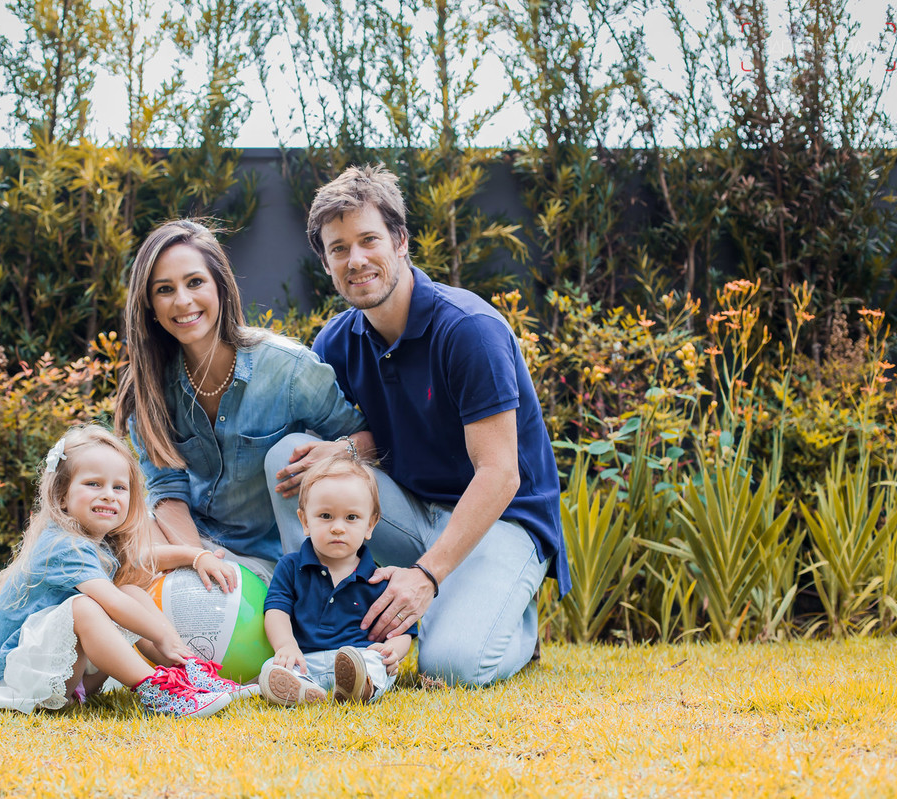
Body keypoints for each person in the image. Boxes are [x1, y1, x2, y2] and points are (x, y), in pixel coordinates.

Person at [267, 165, 572, 687]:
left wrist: (428, 577)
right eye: (338, 248)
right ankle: (325, 624)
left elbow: (500, 474)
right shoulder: (336, 344)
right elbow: (382, 435)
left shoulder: (469, 330)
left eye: (368, 240)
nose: (355, 260)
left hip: (501, 519)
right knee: (292, 459)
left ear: (401, 241)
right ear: (326, 261)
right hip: (409, 511)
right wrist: (341, 449)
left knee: (451, 666)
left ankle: (511, 625)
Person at [0, 424, 247, 718]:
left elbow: (145, 557)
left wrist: (196, 556)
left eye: (120, 487)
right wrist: (164, 636)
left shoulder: (97, 542)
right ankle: (157, 692)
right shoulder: (62, 545)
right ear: (62, 495)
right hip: (19, 679)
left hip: (66, 679)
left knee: (131, 591)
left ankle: (188, 675)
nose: (108, 494)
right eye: (93, 483)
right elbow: (112, 604)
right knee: (88, 606)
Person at [115, 219, 369, 585]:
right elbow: (166, 491)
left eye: (195, 282)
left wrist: (340, 450)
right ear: (150, 305)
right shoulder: (150, 386)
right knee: (108, 557)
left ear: (220, 285)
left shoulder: (289, 369)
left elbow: (366, 439)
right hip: (192, 543)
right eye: (165, 289)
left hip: (269, 560)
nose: (183, 301)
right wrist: (198, 560)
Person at [258, 454, 415, 706]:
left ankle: (359, 686)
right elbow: (276, 610)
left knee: (377, 664)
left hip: (359, 658)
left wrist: (393, 650)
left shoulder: (378, 576)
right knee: (272, 666)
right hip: (307, 659)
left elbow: (402, 629)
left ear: (370, 525)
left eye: (351, 518)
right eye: (326, 516)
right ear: (305, 521)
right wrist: (286, 646)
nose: (338, 528)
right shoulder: (290, 566)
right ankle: (302, 690)